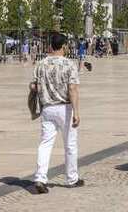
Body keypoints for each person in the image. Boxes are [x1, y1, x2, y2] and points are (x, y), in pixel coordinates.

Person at [29, 32, 83, 194]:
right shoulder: (69, 64)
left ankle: (40, 178)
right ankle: (72, 178)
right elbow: (72, 88)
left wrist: (44, 88)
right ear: (64, 46)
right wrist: (76, 112)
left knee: (45, 143)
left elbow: (33, 86)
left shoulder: (41, 64)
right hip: (64, 108)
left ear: (51, 46)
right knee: (70, 144)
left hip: (47, 108)